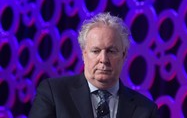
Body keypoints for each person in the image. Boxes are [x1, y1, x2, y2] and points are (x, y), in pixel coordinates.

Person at [29, 12, 159, 118]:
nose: (103, 59)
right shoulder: (53, 93)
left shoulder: (146, 110)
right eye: (96, 51)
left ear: (124, 55)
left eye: (111, 51)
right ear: (84, 54)